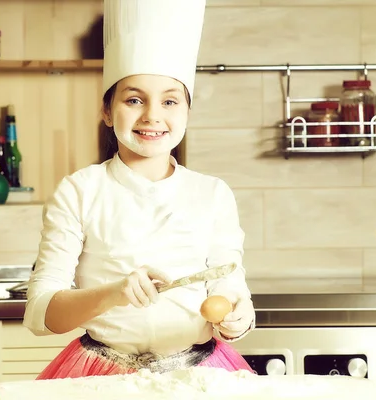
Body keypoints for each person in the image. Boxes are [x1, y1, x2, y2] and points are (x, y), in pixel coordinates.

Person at [24, 0, 256, 380]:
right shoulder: (80, 190)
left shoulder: (213, 193)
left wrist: (237, 315)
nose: (152, 115)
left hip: (199, 375)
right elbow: (40, 314)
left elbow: (230, 285)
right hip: (101, 374)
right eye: (134, 100)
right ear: (106, 110)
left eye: (169, 101)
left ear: (186, 113)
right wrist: (113, 293)